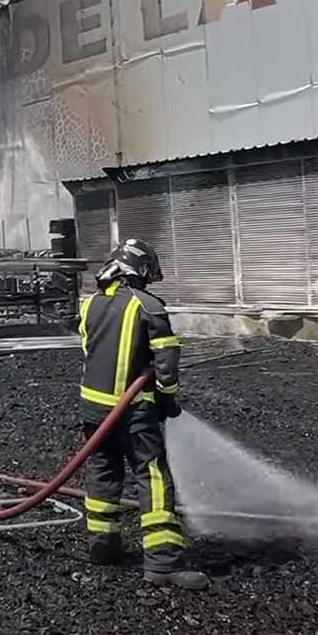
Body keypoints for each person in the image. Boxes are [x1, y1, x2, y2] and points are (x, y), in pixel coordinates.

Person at [77, 238, 209, 590]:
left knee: (103, 472)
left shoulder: (90, 305)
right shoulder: (147, 305)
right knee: (151, 478)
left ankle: (103, 547)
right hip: (132, 411)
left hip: (93, 409)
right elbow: (166, 359)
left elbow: (91, 350)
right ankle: (162, 564)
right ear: (141, 271)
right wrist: (167, 399)